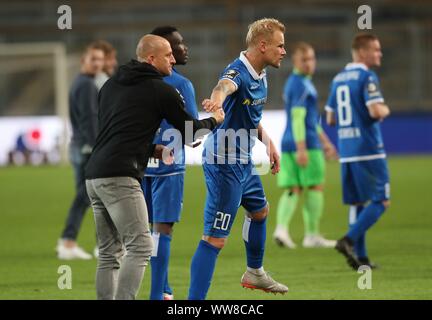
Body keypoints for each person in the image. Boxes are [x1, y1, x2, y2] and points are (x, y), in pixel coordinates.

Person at [85, 34, 223, 300]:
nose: (173, 59)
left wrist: (151, 149)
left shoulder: (111, 85)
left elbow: (115, 133)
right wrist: (214, 120)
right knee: (141, 246)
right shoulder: (160, 89)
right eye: (168, 54)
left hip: (94, 175)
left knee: (108, 252)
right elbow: (189, 131)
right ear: (151, 58)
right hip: (121, 176)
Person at [188, 18, 289, 300]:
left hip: (243, 161)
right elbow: (224, 86)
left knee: (260, 212)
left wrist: (269, 145)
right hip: (223, 163)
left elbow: (250, 118)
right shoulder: (238, 71)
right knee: (215, 238)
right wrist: (216, 100)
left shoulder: (260, 72)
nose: (284, 51)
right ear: (262, 45)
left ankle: (255, 272)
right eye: (280, 46)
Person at [141, 26, 198, 300]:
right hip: (169, 167)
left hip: (140, 165)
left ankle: (163, 290)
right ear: (165, 53)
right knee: (162, 231)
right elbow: (193, 137)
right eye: (178, 45)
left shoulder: (135, 83)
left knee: (146, 233)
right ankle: (156, 296)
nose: (183, 49)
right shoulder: (181, 84)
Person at [325, 33, 391, 270]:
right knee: (381, 200)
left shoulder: (338, 79)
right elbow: (375, 111)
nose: (379, 54)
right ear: (362, 52)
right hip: (369, 150)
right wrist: (385, 109)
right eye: (376, 49)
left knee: (358, 203)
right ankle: (348, 240)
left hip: (348, 150)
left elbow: (330, 118)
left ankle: (361, 258)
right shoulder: (367, 76)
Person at [273, 42, 337, 249]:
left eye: (311, 59)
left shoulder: (294, 82)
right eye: (305, 60)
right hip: (305, 144)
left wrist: (326, 142)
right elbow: (299, 118)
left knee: (294, 187)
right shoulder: (301, 84)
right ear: (295, 61)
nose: (309, 63)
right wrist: (302, 148)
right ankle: (312, 235)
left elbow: (311, 121)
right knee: (315, 186)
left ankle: (281, 229)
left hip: (289, 141)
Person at [57, 43, 105, 260]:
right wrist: (98, 147)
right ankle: (73, 243)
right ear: (83, 61)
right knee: (90, 196)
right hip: (87, 148)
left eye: (100, 59)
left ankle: (69, 242)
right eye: (93, 59)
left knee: (85, 196)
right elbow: (89, 119)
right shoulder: (86, 85)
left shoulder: (79, 83)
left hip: (79, 146)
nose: (97, 63)